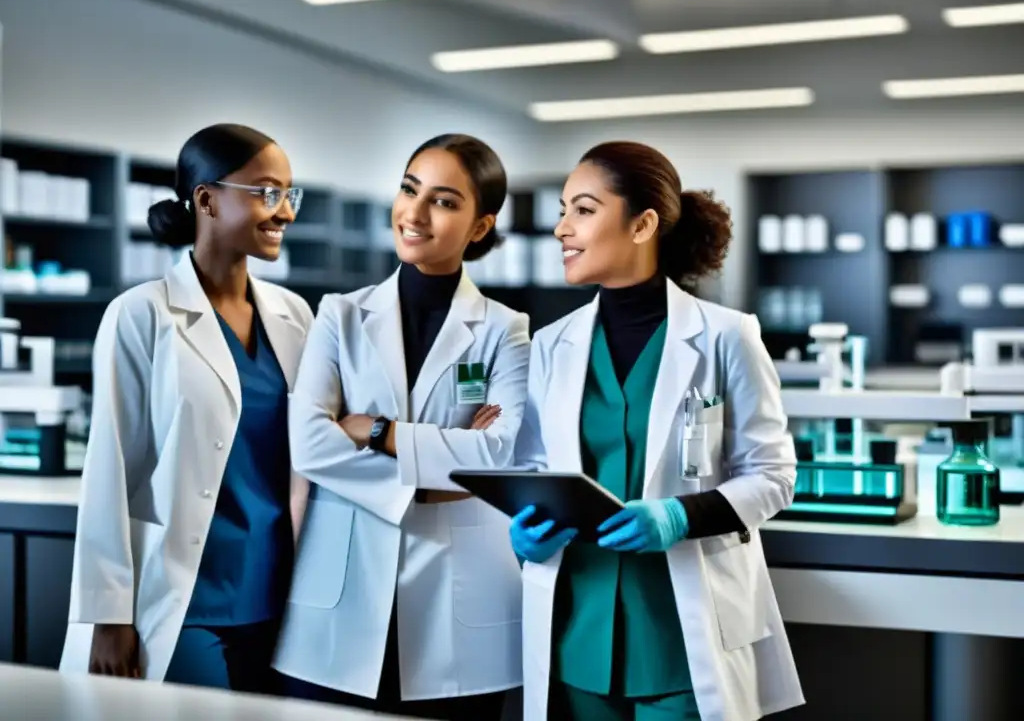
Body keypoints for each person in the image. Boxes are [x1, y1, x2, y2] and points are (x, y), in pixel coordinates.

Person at [509, 141, 805, 721]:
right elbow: (535, 471)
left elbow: (774, 476)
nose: (562, 229)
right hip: (578, 629)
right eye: (563, 210)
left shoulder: (726, 336)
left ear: (643, 224)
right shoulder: (552, 344)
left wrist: (678, 516)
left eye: (584, 211)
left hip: (682, 634)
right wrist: (524, 537)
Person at [273, 133, 530, 720]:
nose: (413, 213)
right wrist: (442, 476)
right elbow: (308, 444)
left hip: (461, 611)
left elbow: (503, 454)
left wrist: (375, 432)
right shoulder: (340, 314)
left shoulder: (504, 329)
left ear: (480, 226)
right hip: (339, 598)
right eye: (409, 189)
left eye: (443, 201)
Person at [58, 124, 314, 694]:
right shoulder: (141, 314)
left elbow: (314, 443)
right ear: (206, 199)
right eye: (267, 193)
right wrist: (108, 614)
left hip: (277, 596)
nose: (284, 213)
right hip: (181, 596)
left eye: (290, 195)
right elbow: (110, 469)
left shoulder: (295, 316)